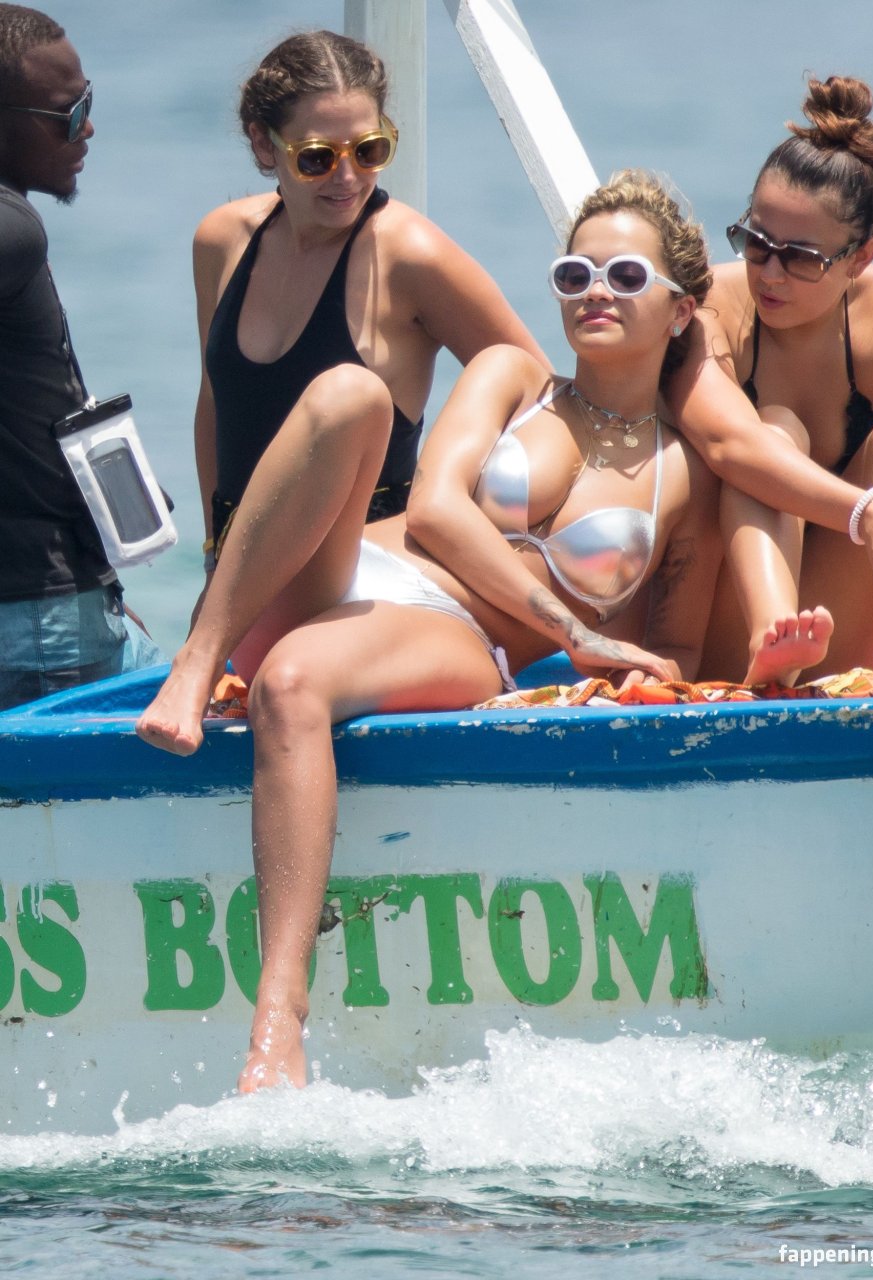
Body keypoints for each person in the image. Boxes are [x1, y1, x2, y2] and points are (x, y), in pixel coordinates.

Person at [137, 169, 729, 1090]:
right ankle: (198, 655)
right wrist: (569, 626)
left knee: (291, 685)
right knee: (350, 393)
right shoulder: (511, 378)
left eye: (624, 277)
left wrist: (669, 669)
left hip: (451, 632)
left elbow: (677, 652)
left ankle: (278, 1022)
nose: (595, 294)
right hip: (338, 575)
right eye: (574, 275)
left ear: (680, 309)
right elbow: (435, 513)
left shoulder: (687, 476)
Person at [189, 29, 546, 656]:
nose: (348, 176)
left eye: (370, 150)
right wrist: (217, 555)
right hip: (245, 590)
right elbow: (216, 406)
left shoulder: (413, 256)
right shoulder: (222, 239)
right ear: (263, 144)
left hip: (367, 584)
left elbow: (539, 403)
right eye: (317, 158)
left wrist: (453, 496)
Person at [667, 75, 873, 685]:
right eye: (755, 242)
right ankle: (773, 655)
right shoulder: (707, 308)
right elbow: (730, 446)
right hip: (724, 635)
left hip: (837, 622)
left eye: (800, 258)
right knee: (774, 433)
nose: (770, 273)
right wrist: (867, 514)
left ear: (861, 258)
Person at [0, 3, 162, 710]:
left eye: (87, 102)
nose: (87, 128)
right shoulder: (11, 228)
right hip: (39, 621)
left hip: (67, 601)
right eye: (68, 114)